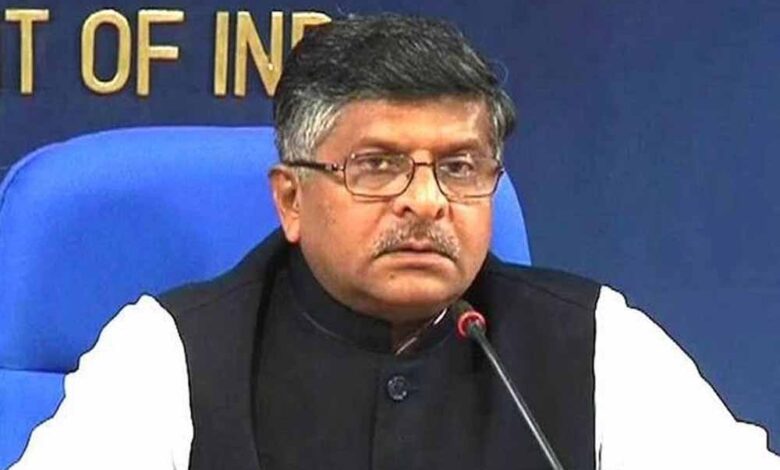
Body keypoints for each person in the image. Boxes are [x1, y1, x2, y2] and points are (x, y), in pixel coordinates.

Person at [12, 13, 779, 470]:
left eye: (459, 167)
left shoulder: (596, 340)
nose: (426, 200)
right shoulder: (166, 353)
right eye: (378, 165)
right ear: (291, 199)